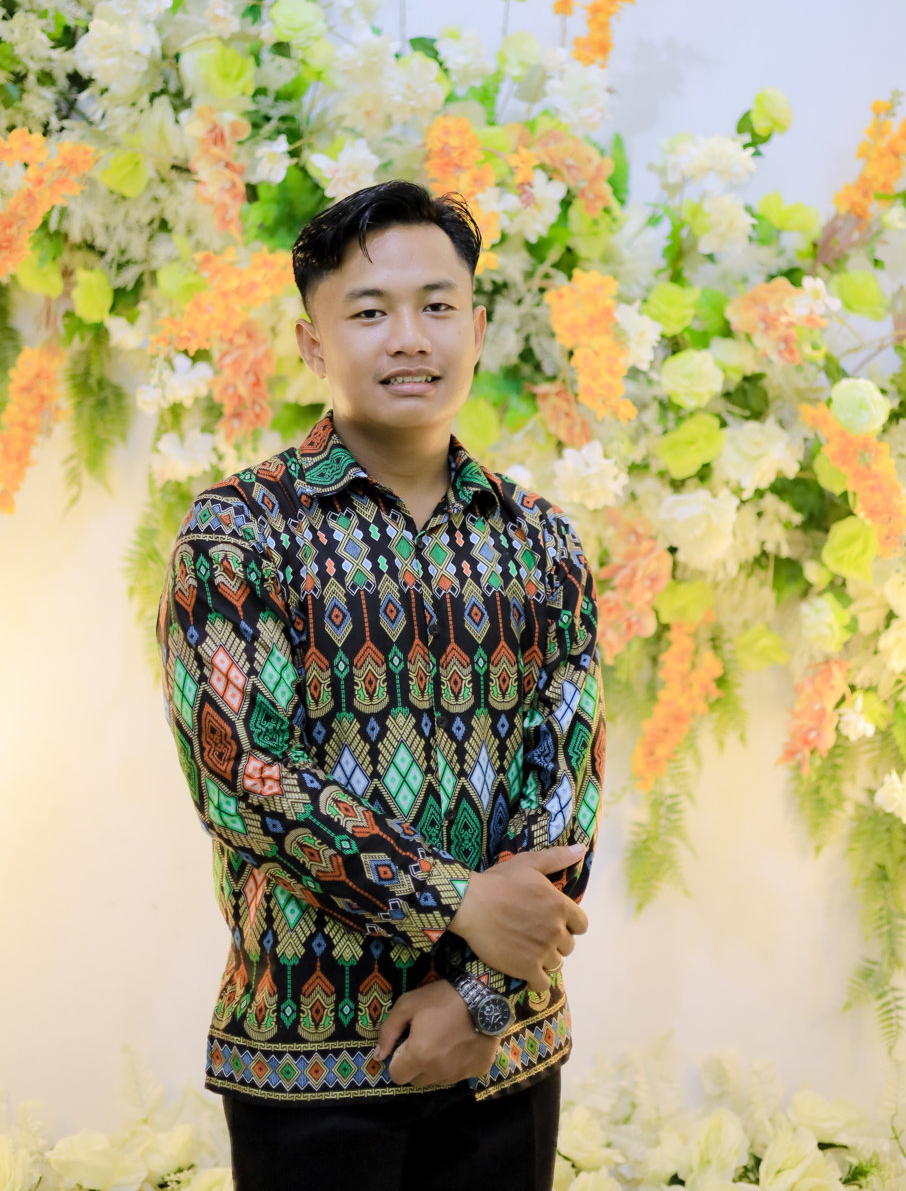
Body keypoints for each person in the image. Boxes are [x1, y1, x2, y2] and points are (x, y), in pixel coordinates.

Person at [156, 179, 606, 1191]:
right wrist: (458, 900)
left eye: (436, 306)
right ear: (312, 343)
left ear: (476, 329)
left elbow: (566, 799)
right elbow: (245, 779)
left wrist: (478, 1000)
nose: (409, 338)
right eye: (369, 312)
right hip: (308, 1060)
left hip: (504, 1056)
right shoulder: (238, 535)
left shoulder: (542, 542)